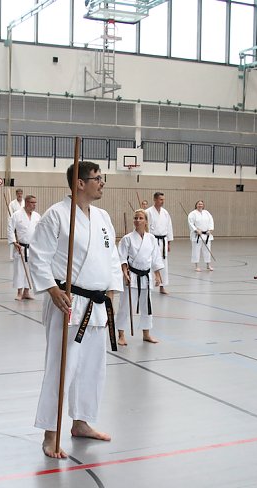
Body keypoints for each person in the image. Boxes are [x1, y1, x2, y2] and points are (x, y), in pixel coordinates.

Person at [29, 161, 122, 459]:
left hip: (96, 304)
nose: (102, 183)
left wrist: (111, 290)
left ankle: (81, 423)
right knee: (62, 368)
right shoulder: (56, 215)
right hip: (68, 301)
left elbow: (112, 256)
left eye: (101, 178)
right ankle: (50, 434)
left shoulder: (103, 217)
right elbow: (37, 256)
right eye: (97, 178)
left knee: (92, 369)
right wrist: (52, 290)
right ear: (79, 183)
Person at [116, 209, 164, 346]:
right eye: (135, 218)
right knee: (125, 305)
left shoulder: (151, 238)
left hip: (146, 276)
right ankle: (121, 334)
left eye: (140, 218)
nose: (137, 220)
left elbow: (155, 258)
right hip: (131, 276)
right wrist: (125, 272)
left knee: (146, 306)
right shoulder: (127, 238)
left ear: (146, 221)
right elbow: (122, 258)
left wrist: (157, 275)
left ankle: (146, 334)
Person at [7, 194, 40, 300]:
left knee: (30, 271)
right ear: (26, 203)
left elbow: (41, 231)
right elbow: (10, 228)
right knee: (20, 270)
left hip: (33, 248)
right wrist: (13, 242)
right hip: (20, 247)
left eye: (35, 203)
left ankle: (27, 292)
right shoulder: (17, 215)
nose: (34, 205)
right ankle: (19, 292)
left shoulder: (37, 216)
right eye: (32, 203)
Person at [145, 191, 173, 294]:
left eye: (163, 200)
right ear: (155, 199)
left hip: (163, 241)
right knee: (150, 262)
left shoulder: (165, 213)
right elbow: (146, 228)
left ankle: (162, 286)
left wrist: (169, 242)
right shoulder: (148, 212)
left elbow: (169, 227)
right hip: (152, 240)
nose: (162, 201)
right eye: (161, 199)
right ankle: (149, 285)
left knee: (163, 263)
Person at [188, 200, 214, 271]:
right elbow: (190, 223)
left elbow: (211, 221)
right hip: (197, 235)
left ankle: (208, 265)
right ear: (196, 205)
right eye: (199, 204)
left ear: (203, 205)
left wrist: (210, 229)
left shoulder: (207, 213)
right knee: (196, 250)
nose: (200, 205)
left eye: (201, 204)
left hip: (206, 235)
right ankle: (196, 266)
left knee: (207, 250)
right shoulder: (192, 214)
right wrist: (196, 230)